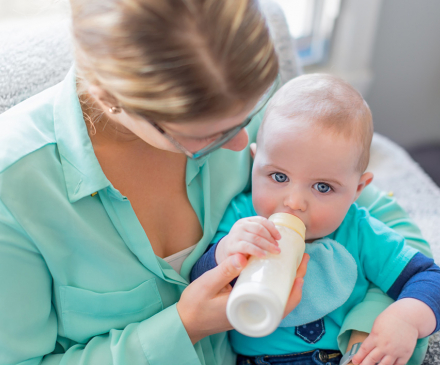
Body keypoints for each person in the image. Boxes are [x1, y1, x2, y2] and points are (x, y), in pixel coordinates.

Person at [0, 0, 432, 364]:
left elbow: (383, 222)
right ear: (110, 98)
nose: (245, 145)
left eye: (247, 118)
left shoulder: (242, 92)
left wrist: (369, 327)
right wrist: (185, 326)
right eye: (209, 136)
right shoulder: (17, 187)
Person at [190, 74, 440, 365]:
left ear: (357, 190)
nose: (294, 201)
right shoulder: (243, 217)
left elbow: (428, 278)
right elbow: (200, 280)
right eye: (279, 176)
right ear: (254, 162)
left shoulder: (358, 230)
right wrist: (225, 251)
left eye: (323, 187)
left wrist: (406, 318)